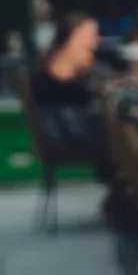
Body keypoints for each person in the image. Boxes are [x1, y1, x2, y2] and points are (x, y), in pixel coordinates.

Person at [29, 12, 115, 181]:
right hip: (67, 139)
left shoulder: (61, 73)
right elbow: (72, 94)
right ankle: (125, 197)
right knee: (124, 145)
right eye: (88, 36)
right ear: (71, 38)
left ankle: (123, 197)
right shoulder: (55, 77)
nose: (94, 42)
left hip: (69, 135)